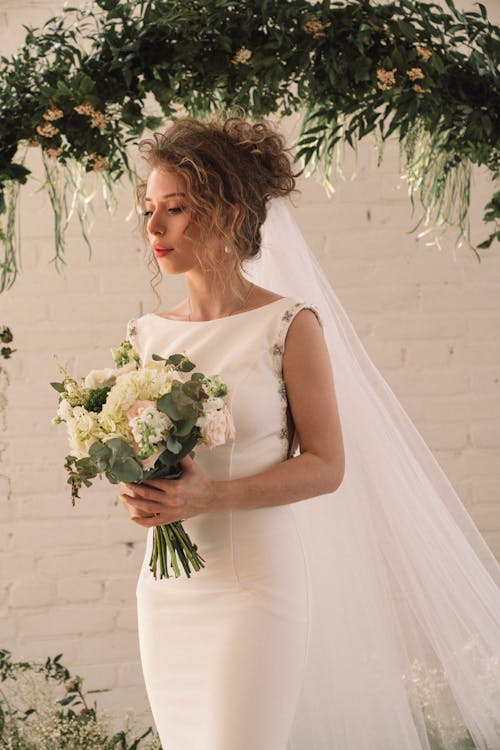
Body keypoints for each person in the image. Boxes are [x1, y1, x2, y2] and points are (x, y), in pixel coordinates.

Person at [120, 115, 500, 750]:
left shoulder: (288, 325)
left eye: (176, 209)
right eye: (148, 209)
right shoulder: (145, 335)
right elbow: (152, 458)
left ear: (229, 212)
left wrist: (209, 497)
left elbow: (327, 464)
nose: (153, 228)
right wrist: (142, 491)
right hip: (166, 593)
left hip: (254, 591)